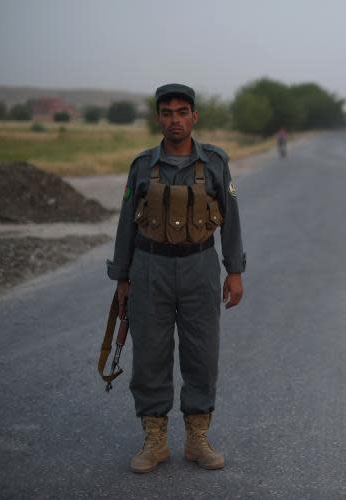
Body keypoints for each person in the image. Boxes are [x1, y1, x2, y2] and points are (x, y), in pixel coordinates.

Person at [107, 83, 246, 473]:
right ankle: (155, 440)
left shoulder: (216, 162)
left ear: (194, 117)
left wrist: (234, 271)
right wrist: (122, 278)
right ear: (158, 118)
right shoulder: (142, 166)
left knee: (201, 354)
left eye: (182, 112)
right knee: (150, 353)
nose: (175, 120)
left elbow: (231, 221)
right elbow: (125, 226)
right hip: (149, 268)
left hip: (200, 266)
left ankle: (197, 439)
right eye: (167, 113)